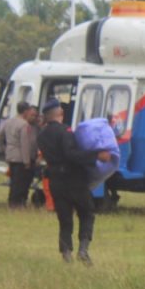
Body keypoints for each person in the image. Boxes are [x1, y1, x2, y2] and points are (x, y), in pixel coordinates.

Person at [35, 98, 110, 265]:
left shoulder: (41, 135)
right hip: (74, 180)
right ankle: (83, 250)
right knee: (86, 213)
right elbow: (72, 155)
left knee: (64, 218)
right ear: (61, 113)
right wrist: (96, 156)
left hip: (55, 181)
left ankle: (66, 254)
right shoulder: (65, 131)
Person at [0, 102, 38, 209]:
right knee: (21, 182)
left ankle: (12, 201)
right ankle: (18, 203)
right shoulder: (24, 125)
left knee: (14, 181)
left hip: (11, 156)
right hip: (21, 157)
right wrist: (27, 161)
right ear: (25, 111)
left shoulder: (8, 122)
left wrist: (2, 149)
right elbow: (24, 144)